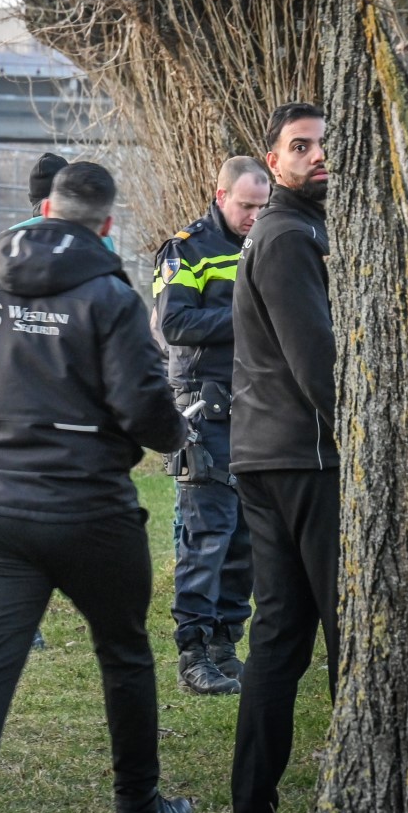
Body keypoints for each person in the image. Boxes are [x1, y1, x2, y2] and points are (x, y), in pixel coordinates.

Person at [0, 162, 192, 813]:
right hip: (89, 511)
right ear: (105, 223)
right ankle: (137, 804)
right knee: (123, 651)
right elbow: (141, 407)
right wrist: (175, 436)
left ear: (43, 208)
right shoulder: (110, 296)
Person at [227, 102, 337, 813]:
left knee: (278, 636)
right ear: (273, 164)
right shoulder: (288, 235)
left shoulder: (291, 232)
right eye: (299, 147)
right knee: (340, 630)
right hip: (302, 460)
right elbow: (315, 364)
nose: (315, 156)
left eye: (323, 144)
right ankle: (356, 788)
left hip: (268, 455)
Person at [154, 157, 271, 697]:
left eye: (260, 206)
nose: (253, 215)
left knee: (246, 537)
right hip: (206, 409)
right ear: (219, 194)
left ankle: (226, 645)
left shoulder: (265, 241)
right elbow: (174, 323)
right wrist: (250, 316)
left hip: (258, 407)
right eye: (246, 205)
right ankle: (194, 653)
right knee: (207, 537)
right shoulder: (187, 248)